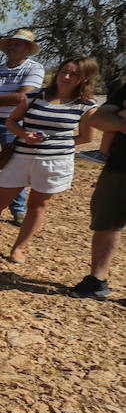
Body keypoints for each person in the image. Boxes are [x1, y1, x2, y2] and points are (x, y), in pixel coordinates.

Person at [0, 58, 100, 263]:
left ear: (84, 79)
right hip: (21, 157)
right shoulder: (34, 96)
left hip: (54, 162)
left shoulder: (86, 106)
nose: (66, 77)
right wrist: (24, 134)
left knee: (37, 206)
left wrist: (57, 143)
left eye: (73, 74)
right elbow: (11, 121)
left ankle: (18, 249)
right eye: (63, 71)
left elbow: (87, 137)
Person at [0, 30, 44, 223]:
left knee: (14, 166)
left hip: (13, 123)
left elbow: (23, 97)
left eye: (18, 44)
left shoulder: (34, 69)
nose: (12, 47)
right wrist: (6, 99)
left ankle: (18, 208)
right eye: (11, 44)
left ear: (28, 49)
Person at [66, 77, 126, 300]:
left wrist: (118, 119)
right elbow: (99, 119)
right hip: (119, 166)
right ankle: (97, 280)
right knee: (106, 222)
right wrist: (122, 123)